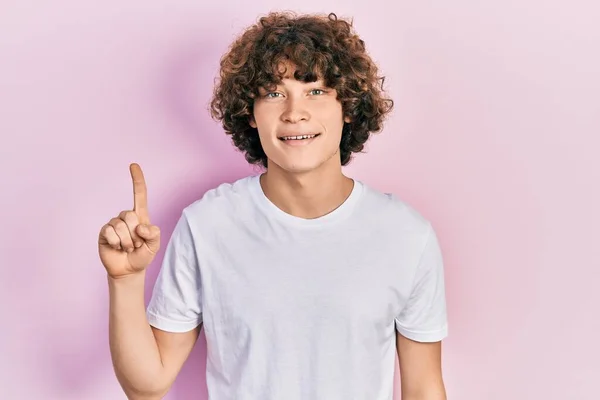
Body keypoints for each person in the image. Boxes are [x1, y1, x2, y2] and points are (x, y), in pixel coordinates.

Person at [98, 11, 449, 400]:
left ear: (347, 106)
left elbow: (424, 388)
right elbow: (146, 386)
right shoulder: (207, 226)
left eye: (315, 90)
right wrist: (125, 281)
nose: (294, 112)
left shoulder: (406, 236)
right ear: (250, 114)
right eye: (273, 92)